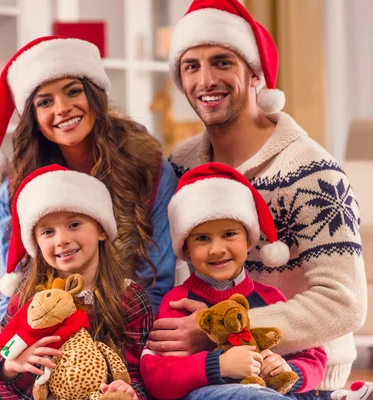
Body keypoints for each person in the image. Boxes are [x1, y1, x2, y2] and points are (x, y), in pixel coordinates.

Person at [149, 0, 366, 397]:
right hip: (205, 374)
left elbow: (343, 303)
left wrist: (217, 331)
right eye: (191, 66)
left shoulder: (312, 170)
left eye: (222, 62)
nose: (205, 80)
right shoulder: (179, 166)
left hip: (300, 377)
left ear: (254, 74)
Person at [0, 36, 175, 398]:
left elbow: (158, 281)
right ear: (33, 116)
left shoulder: (149, 169)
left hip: (121, 303)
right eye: (45, 101)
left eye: (73, 92)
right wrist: (18, 351)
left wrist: (110, 336)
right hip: (39, 303)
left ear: (94, 94)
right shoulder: (16, 184)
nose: (62, 109)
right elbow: (14, 277)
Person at [141, 162, 328, 400]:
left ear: (249, 240)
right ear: (186, 249)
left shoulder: (270, 298)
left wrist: (289, 371)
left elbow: (315, 356)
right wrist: (217, 366)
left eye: (229, 234)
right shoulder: (178, 303)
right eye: (202, 238)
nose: (217, 250)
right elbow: (156, 377)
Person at [0, 164, 152, 399]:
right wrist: (13, 366)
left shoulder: (129, 297)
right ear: (36, 244)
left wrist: (127, 391)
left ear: (101, 229)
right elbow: (2, 370)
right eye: (48, 232)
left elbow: (138, 375)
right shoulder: (27, 298)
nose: (62, 240)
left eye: (74, 224)